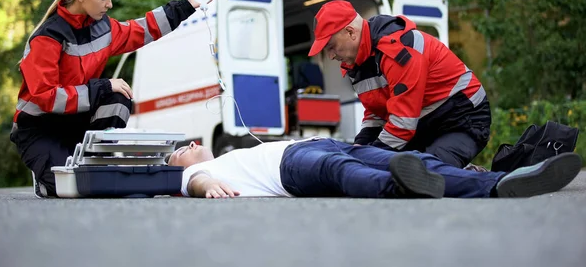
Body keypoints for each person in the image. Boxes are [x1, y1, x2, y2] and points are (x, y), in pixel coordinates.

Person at [10, 0, 211, 197]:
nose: (110, 4)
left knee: (118, 95)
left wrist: (187, 5)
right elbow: (47, 97)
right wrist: (102, 86)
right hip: (40, 128)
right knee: (70, 188)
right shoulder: (47, 37)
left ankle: (95, 161)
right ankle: (47, 177)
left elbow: (143, 29)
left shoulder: (102, 27)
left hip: (75, 122)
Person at [307, 0, 491, 169]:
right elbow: (376, 113)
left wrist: (369, 159)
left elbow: (403, 123)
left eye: (331, 47)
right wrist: (359, 149)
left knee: (425, 173)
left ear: (350, 32)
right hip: (424, 124)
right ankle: (460, 170)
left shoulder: (396, 49)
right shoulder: (357, 63)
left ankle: (490, 181)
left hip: (462, 118)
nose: (330, 56)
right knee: (397, 171)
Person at [166, 138, 582, 199]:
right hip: (289, 168)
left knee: (415, 159)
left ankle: (500, 184)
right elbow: (197, 181)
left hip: (310, 143)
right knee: (336, 168)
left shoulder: (226, 151)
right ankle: (398, 189)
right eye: (183, 149)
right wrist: (206, 186)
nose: (192, 146)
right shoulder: (189, 175)